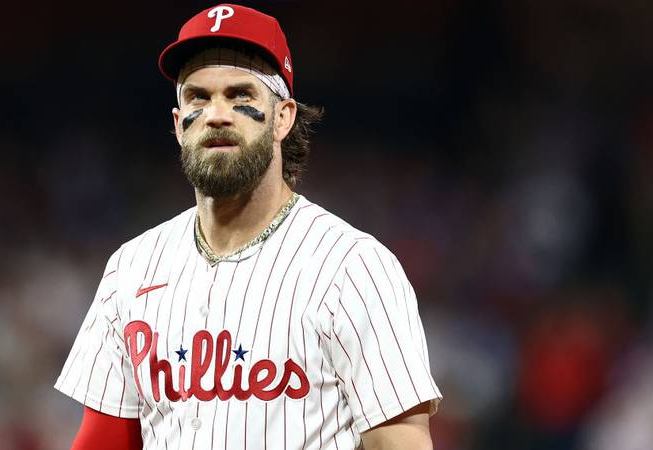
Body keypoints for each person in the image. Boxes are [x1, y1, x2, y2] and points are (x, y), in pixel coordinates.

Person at [55, 3, 442, 449]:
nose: (218, 113)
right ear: (180, 126)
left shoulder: (353, 268)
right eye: (199, 97)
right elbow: (104, 441)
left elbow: (398, 442)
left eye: (241, 96)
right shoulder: (131, 268)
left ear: (283, 117)